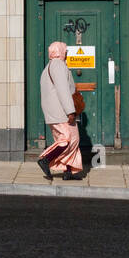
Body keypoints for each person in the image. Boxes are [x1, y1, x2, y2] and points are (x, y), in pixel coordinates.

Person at [38, 41, 84, 180]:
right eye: (65, 50)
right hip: (61, 112)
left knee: (71, 139)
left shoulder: (49, 67)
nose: (67, 53)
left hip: (55, 111)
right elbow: (63, 90)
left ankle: (68, 171)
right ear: (60, 51)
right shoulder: (58, 65)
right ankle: (46, 158)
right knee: (68, 139)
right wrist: (70, 111)